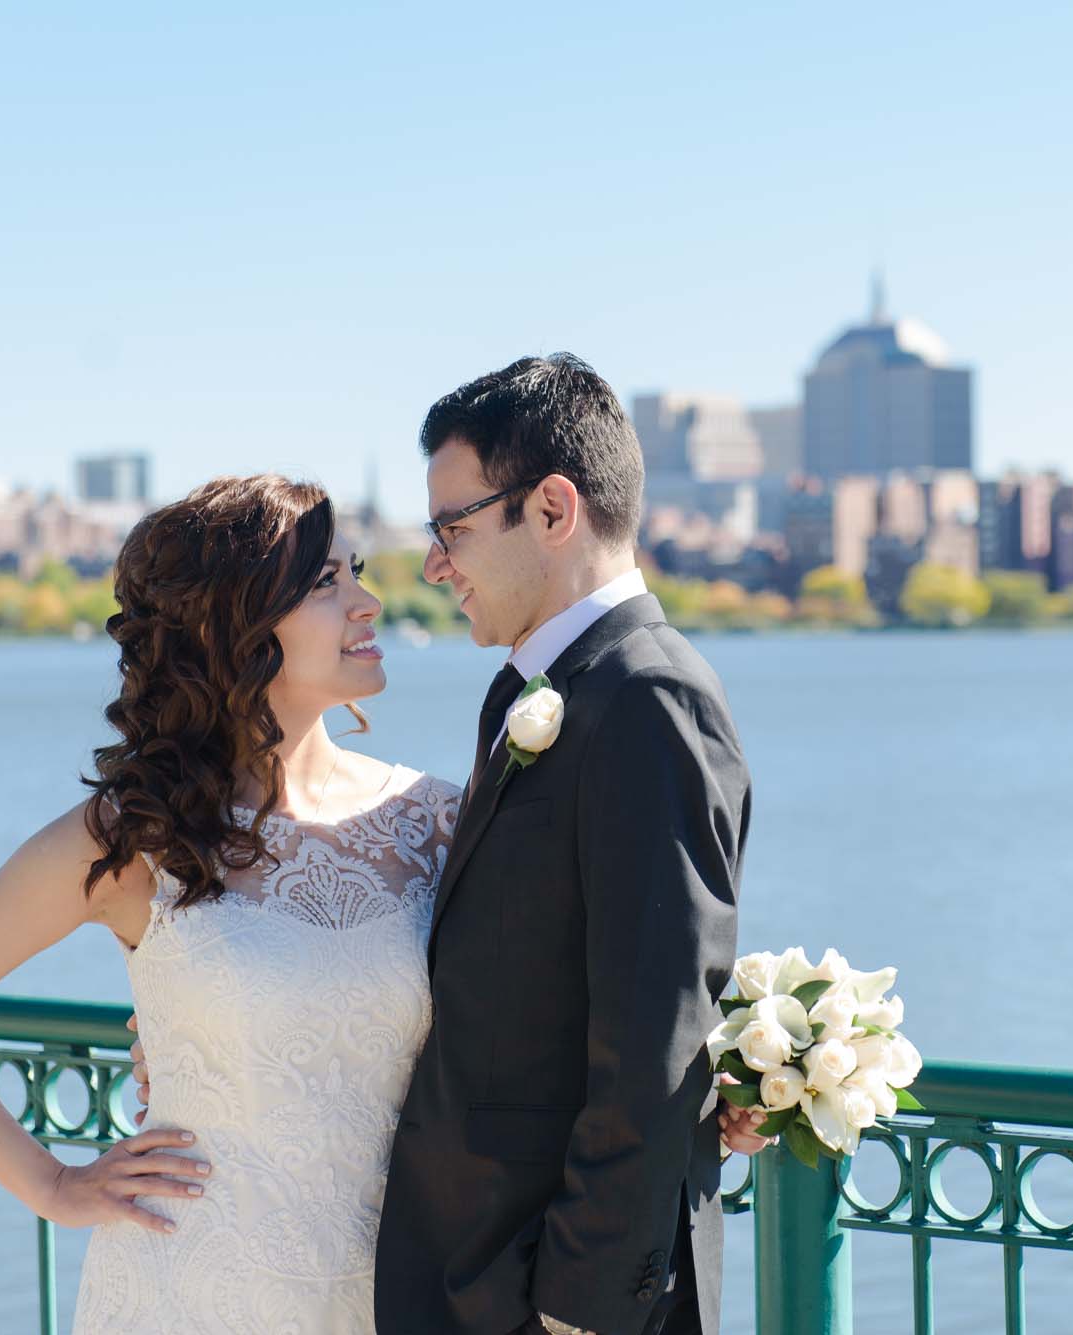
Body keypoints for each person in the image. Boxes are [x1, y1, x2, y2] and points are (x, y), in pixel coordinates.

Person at [0, 475, 460, 1332]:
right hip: (190, 1288)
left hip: (394, 1293)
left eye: (354, 570)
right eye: (326, 582)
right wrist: (56, 1185)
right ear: (232, 625)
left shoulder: (437, 820)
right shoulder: (137, 834)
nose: (369, 601)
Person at [372, 354, 754, 1335]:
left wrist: (578, 1311)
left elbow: (651, 1044)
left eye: (452, 527)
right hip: (475, 1277)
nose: (433, 564)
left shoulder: (646, 700)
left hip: (559, 1304)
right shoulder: (532, 692)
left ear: (551, 510)